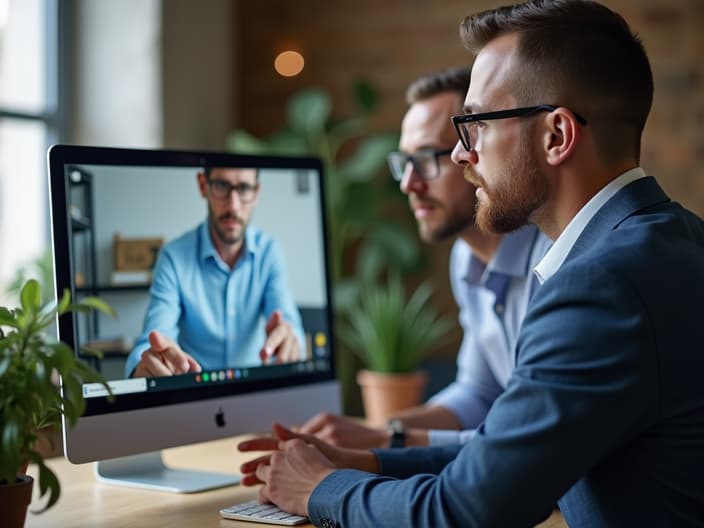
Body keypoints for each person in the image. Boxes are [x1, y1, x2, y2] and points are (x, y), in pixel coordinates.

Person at [238, 1, 704, 526]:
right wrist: (369, 461)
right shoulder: (675, 239)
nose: (462, 155)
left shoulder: (600, 286)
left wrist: (323, 488)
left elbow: (466, 510)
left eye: (476, 123)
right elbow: (508, 459)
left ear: (557, 136)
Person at [299, 67, 551, 449]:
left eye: (428, 158)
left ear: (475, 152)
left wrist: (392, 441)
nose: (408, 184)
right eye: (404, 162)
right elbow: (478, 394)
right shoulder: (465, 260)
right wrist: (380, 431)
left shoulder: (553, 263)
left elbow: (533, 440)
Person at [125, 166, 304, 378]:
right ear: (203, 185)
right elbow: (154, 337)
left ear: (256, 193)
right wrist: (143, 367)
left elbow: (291, 329)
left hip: (255, 391)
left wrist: (289, 342)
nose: (233, 206)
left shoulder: (270, 252)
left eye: (244, 188)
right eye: (221, 185)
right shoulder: (172, 257)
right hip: (194, 394)